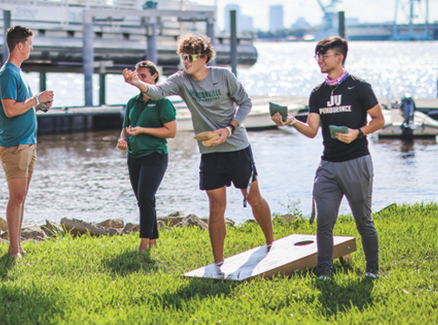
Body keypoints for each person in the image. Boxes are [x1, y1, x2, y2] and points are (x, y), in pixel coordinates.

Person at [123, 34, 274, 267]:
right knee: (215, 205)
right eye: (183, 56)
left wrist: (229, 128)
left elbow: (246, 103)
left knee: (253, 197)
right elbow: (158, 91)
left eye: (190, 56)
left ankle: (271, 244)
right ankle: (217, 264)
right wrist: (139, 83)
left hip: (236, 146)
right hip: (209, 152)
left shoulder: (223, 76)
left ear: (204, 57)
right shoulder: (182, 80)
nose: (186, 60)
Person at [271, 36, 384, 280]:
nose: (320, 60)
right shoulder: (318, 93)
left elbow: (379, 120)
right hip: (328, 166)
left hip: (357, 162)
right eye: (318, 56)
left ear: (339, 58)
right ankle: (324, 273)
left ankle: (372, 271)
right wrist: (290, 120)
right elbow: (312, 130)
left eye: (325, 55)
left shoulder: (360, 87)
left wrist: (358, 132)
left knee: (363, 221)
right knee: (323, 223)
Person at [0, 26, 53, 258]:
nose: (32, 47)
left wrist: (38, 105)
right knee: (17, 197)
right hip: (15, 145)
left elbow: (21, 106)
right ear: (19, 45)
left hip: (27, 143)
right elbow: (9, 110)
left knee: (21, 197)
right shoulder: (8, 73)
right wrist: (36, 99)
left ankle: (17, 246)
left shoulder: (18, 73)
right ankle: (13, 250)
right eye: (30, 43)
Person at [117, 60, 177, 252]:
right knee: (144, 200)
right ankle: (152, 241)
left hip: (155, 155)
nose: (140, 79)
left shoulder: (162, 101)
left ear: (154, 77)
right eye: (138, 75)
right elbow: (125, 129)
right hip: (134, 156)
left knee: (145, 196)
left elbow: (171, 131)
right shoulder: (132, 103)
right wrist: (122, 140)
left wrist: (143, 130)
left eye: (143, 76)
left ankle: (143, 245)